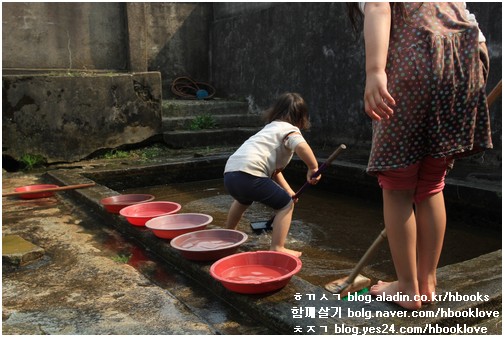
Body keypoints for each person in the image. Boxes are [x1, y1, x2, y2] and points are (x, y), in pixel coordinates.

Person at [347, 3, 492, 310]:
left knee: (398, 185)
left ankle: (408, 289)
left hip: (418, 55)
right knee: (431, 182)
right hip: (469, 55)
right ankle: (426, 282)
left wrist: (374, 71)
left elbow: (377, 5)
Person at [223, 92, 321, 257]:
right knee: (286, 205)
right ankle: (277, 247)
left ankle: (228, 233)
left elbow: (275, 171)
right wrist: (313, 167)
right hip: (251, 174)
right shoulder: (290, 130)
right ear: (301, 117)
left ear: (275, 111)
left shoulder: (269, 129)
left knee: (242, 200)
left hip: (231, 174)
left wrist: (288, 191)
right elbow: (301, 146)